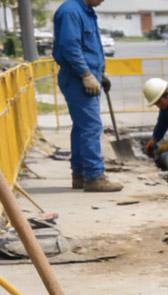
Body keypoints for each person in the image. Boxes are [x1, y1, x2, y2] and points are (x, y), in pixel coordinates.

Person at [52, 0, 123, 192]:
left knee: (82, 127)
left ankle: (80, 174)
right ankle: (94, 176)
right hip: (78, 78)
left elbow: (92, 47)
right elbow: (70, 47)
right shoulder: (70, 11)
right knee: (91, 127)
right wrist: (85, 74)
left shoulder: (87, 12)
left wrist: (101, 73)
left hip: (88, 76)